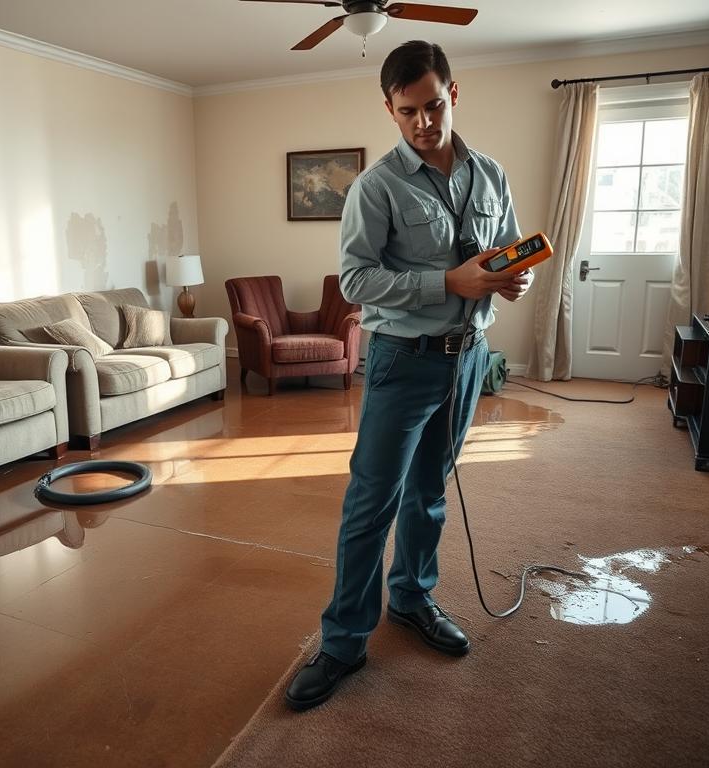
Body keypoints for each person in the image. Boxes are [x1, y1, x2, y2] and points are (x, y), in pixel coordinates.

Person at [285, 40, 533, 712]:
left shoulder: (492, 176)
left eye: (432, 105)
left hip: (469, 357)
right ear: (390, 111)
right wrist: (445, 281)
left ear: (454, 93)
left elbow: (502, 251)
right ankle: (342, 642)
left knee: (429, 493)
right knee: (372, 504)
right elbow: (358, 278)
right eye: (407, 112)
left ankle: (412, 599)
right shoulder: (375, 187)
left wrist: (511, 278)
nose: (423, 121)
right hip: (401, 360)